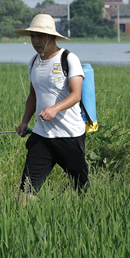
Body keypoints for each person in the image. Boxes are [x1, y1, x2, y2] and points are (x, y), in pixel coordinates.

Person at [14, 14, 89, 204]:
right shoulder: (33, 62)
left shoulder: (68, 59)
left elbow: (76, 95)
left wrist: (55, 109)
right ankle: (26, 227)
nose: (35, 41)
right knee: (26, 192)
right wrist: (24, 122)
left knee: (82, 190)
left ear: (52, 37)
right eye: (32, 36)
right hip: (42, 137)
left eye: (40, 36)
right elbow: (33, 96)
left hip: (69, 136)